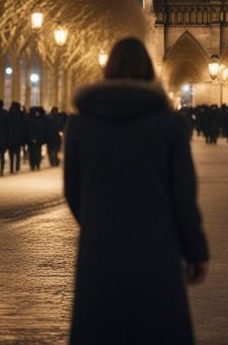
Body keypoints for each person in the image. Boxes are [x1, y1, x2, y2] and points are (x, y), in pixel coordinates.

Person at [64, 37, 208, 344]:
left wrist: (99, 224)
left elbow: (73, 193)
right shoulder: (170, 125)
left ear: (107, 71)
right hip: (158, 252)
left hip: (99, 252)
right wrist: (195, 251)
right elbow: (184, 197)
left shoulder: (79, 126)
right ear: (149, 72)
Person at [6, 102, 25, 174]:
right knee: (17, 154)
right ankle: (17, 167)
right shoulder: (20, 116)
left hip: (10, 138)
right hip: (18, 138)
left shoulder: (8, 115)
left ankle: (11, 168)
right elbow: (22, 128)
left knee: (11, 155)